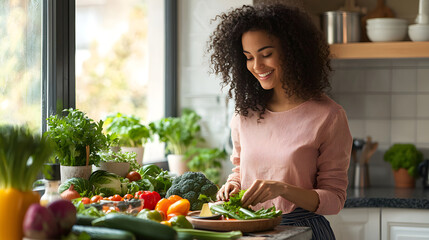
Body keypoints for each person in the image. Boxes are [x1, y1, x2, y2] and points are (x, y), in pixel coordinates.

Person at [207, 3, 352, 240]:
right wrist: (232, 185)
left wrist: (282, 189)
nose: (257, 66)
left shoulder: (329, 116)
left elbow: (334, 199)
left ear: (293, 50)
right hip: (250, 230)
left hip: (303, 232)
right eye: (249, 57)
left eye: (266, 54)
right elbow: (240, 170)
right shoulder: (245, 114)